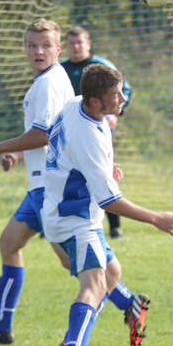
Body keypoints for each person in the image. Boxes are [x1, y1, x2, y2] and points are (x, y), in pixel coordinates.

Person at [0, 19, 141, 346]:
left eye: (45, 46)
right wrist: (18, 156)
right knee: (10, 245)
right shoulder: (54, 77)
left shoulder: (47, 83)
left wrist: (1, 147)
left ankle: (122, 305)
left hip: (52, 189)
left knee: (85, 267)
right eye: (32, 45)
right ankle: (3, 327)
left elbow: (43, 133)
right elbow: (58, 130)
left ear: (57, 49)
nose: (38, 51)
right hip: (41, 184)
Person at [43, 64, 173, 346]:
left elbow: (71, 155)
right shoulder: (89, 135)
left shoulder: (76, 106)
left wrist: (102, 171)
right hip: (75, 219)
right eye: (115, 95)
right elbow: (110, 201)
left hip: (59, 209)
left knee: (111, 273)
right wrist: (155, 218)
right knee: (93, 283)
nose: (123, 98)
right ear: (94, 101)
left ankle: (101, 322)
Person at [60, 26, 132, 239]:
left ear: (88, 44)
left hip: (97, 126)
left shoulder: (100, 66)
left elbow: (123, 90)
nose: (75, 47)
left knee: (104, 173)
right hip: (70, 130)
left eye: (79, 43)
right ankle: (58, 222)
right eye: (71, 43)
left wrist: (114, 116)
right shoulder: (61, 69)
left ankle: (115, 226)